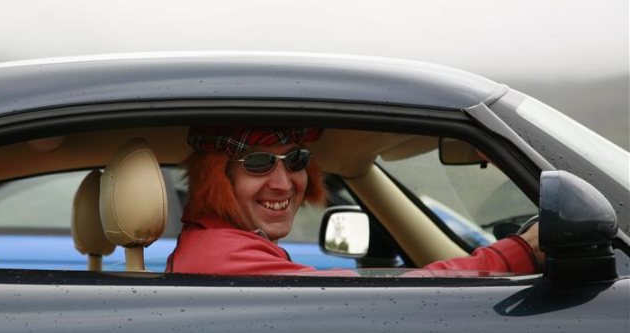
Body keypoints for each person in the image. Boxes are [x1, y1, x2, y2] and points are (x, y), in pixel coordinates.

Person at [166, 127, 543, 276]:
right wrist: (517, 252)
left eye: (296, 161)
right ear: (217, 178)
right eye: (258, 163)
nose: (283, 184)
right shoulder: (220, 255)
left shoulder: (211, 243)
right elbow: (369, 305)